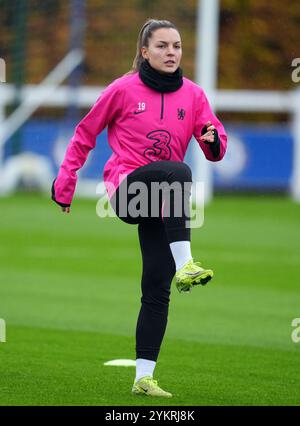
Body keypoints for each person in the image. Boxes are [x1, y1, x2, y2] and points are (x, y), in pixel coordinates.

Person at [52, 19, 227, 398]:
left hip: (163, 205)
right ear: (145, 52)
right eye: (162, 46)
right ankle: (188, 264)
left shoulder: (194, 96)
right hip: (128, 192)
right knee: (179, 170)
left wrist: (213, 141)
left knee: (156, 290)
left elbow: (215, 148)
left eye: (177, 46)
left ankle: (143, 378)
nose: (171, 52)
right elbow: (85, 133)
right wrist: (65, 183)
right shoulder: (122, 89)